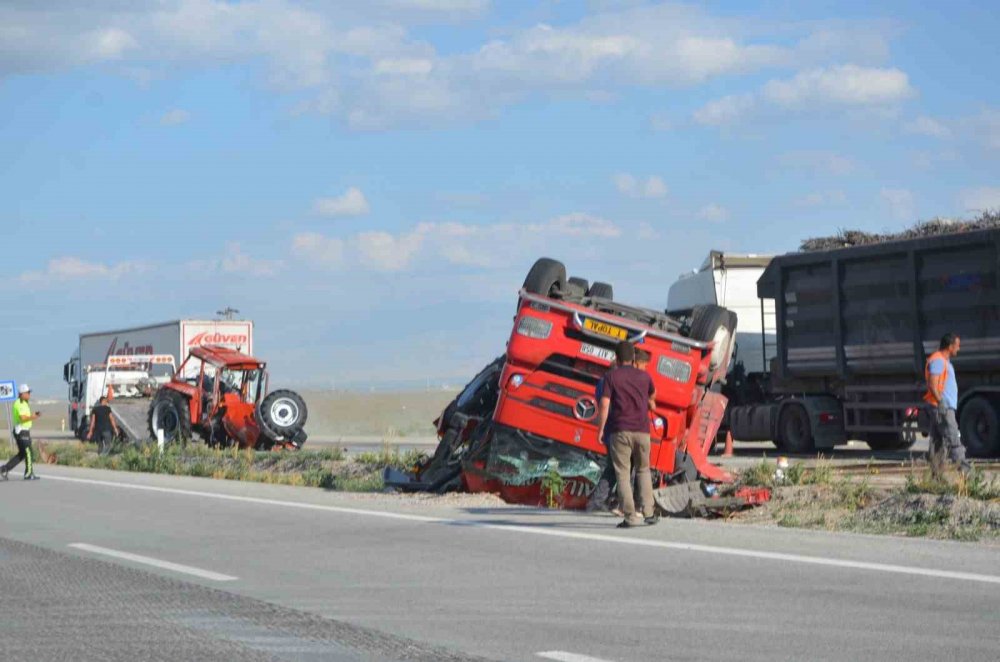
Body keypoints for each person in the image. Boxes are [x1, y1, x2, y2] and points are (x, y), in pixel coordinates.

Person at [597, 341, 657, 528]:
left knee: (622, 474)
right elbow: (652, 397)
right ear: (633, 358)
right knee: (643, 470)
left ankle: (630, 516)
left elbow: (605, 404)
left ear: (616, 357)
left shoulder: (611, 377)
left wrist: (600, 428)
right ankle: (649, 513)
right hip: (642, 431)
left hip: (620, 430)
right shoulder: (644, 376)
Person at [924, 333, 970, 476]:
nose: (959, 348)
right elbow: (933, 383)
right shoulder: (938, 360)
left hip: (940, 407)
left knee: (937, 443)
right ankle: (967, 475)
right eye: (957, 345)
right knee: (953, 439)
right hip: (942, 408)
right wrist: (941, 402)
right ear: (950, 346)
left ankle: (936, 477)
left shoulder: (943, 360)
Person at [586, 358, 619, 514]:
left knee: (613, 467)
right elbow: (606, 405)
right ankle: (616, 503)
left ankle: (598, 501)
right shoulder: (611, 384)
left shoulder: (601, 382)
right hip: (617, 429)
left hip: (609, 429)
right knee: (625, 468)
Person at [1, 384, 41, 481]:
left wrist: (33, 415)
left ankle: (4, 469)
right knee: (28, 452)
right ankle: (28, 474)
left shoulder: (24, 403)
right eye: (27, 393)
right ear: (22, 394)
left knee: (22, 454)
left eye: (29, 393)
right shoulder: (18, 403)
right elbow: (22, 418)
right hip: (21, 431)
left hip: (25, 431)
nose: (29, 395)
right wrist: (33, 417)